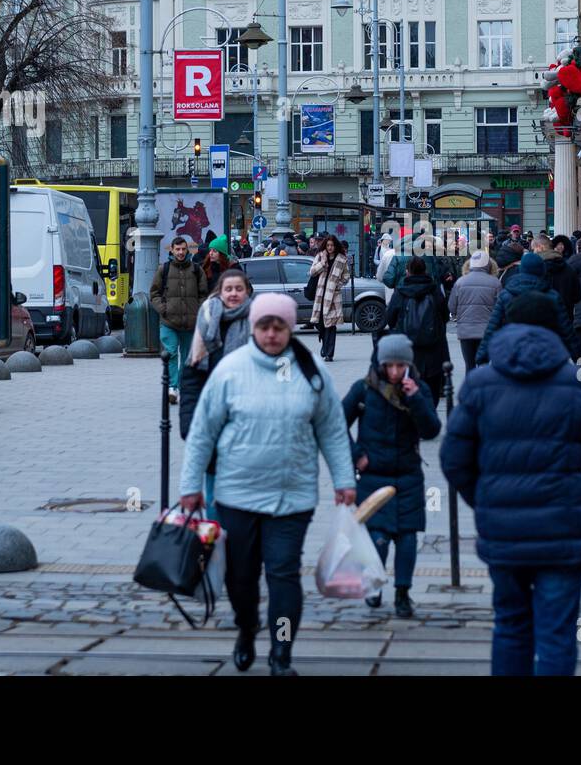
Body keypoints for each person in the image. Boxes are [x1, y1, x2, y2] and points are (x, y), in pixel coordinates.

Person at [440, 291, 581, 676]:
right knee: (557, 633)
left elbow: (452, 458)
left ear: (506, 323)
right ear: (554, 328)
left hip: (504, 531)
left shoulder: (480, 382)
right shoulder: (580, 382)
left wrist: (487, 501)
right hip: (565, 529)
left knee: (510, 625)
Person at [179, 292, 356, 676]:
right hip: (236, 495)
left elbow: (332, 430)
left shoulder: (310, 371)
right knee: (240, 578)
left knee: (283, 576)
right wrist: (191, 486)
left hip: (291, 498)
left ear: (290, 328)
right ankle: (246, 629)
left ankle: (281, 650)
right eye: (264, 326)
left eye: (279, 327)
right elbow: (202, 433)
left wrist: (344, 479)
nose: (272, 334)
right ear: (254, 328)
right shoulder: (230, 370)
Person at [342, 334, 442, 618]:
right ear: (380, 364)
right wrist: (356, 455)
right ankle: (373, 584)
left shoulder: (417, 389)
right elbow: (337, 424)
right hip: (374, 476)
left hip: (409, 475)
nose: (395, 372)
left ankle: (402, 593)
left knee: (408, 538)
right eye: (390, 366)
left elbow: (432, 430)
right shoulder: (363, 389)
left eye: (401, 366)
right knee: (379, 538)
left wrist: (417, 399)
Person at [179, 268, 255, 515]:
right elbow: (192, 376)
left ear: (247, 292)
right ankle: (216, 539)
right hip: (213, 419)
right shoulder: (208, 316)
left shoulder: (258, 322)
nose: (233, 294)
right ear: (220, 292)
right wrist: (188, 422)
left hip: (247, 420)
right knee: (213, 492)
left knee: (245, 491)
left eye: (238, 289)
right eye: (228, 289)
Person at [477, 251, 581, 365]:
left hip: (513, 351)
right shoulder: (552, 296)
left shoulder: (507, 294)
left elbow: (493, 326)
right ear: (542, 270)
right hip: (545, 353)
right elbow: (567, 330)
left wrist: (482, 357)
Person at [383, 255, 450, 402]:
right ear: (425, 271)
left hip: (407, 350)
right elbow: (445, 316)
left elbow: (390, 319)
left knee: (408, 393)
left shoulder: (400, 292)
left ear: (407, 272)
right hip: (433, 350)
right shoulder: (434, 291)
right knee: (432, 395)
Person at [150, 236, 207, 404]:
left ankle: (183, 387)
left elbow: (204, 294)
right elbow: (154, 293)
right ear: (172, 250)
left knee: (188, 357)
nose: (181, 252)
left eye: (183, 249)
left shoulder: (197, 270)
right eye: (177, 249)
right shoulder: (164, 269)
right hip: (169, 322)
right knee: (172, 353)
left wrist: (199, 310)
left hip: (191, 322)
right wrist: (163, 309)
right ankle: (172, 387)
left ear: (187, 250)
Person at [447, 250, 502, 371]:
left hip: (466, 331)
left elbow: (451, 307)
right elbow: (500, 308)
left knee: (469, 366)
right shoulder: (495, 283)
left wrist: (458, 315)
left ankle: (470, 388)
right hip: (487, 331)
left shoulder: (460, 282)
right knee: (485, 365)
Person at [309, 234, 349, 362]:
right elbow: (312, 271)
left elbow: (346, 276)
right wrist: (323, 263)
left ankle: (329, 353)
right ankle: (324, 346)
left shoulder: (342, 259)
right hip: (320, 295)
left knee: (331, 326)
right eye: (328, 245)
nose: (330, 247)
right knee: (320, 324)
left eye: (332, 245)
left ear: (336, 246)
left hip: (333, 296)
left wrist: (338, 284)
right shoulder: (320, 256)